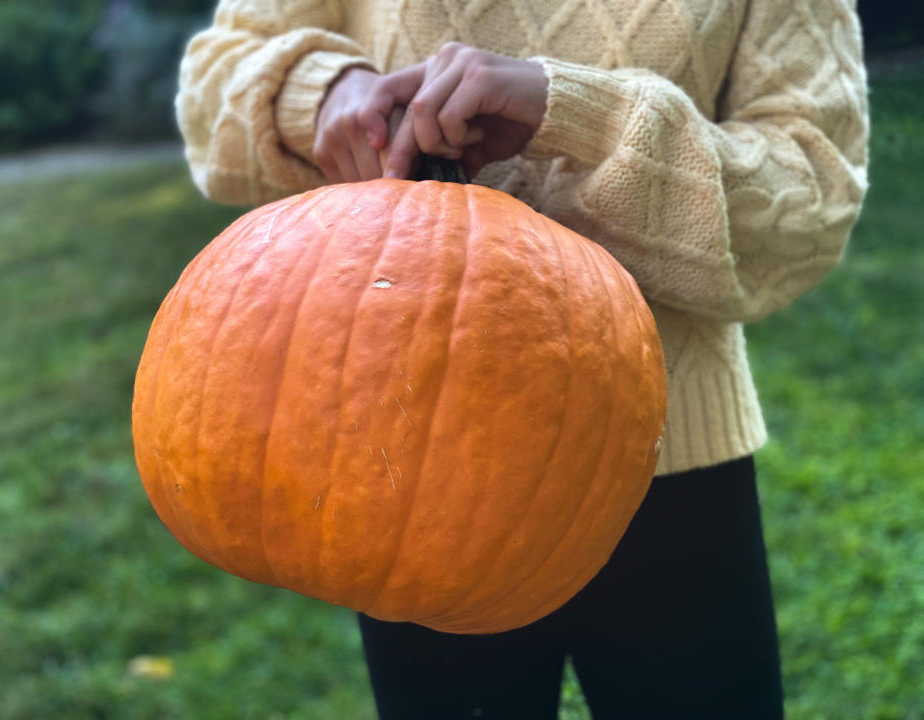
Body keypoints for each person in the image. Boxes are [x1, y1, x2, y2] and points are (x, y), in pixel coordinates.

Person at [176, 1, 869, 717]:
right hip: (396, 477)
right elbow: (212, 82)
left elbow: (813, 203)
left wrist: (579, 116)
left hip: (670, 473)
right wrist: (321, 92)